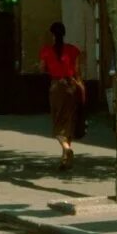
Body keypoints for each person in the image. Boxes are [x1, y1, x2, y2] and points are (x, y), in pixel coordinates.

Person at [38, 22, 83, 171]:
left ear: (52, 35)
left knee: (57, 122)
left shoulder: (46, 51)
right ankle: (65, 159)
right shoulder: (72, 50)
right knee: (69, 120)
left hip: (56, 86)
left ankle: (66, 148)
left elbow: (42, 68)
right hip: (71, 86)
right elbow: (77, 70)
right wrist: (80, 85)